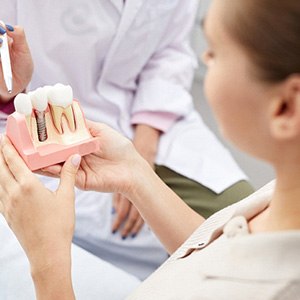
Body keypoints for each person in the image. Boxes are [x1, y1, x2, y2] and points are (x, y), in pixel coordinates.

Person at [1, 0, 300, 298]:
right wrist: (136, 176)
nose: (205, 57)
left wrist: (48, 260)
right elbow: (224, 256)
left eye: (215, 54)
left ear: (285, 108)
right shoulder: (274, 203)